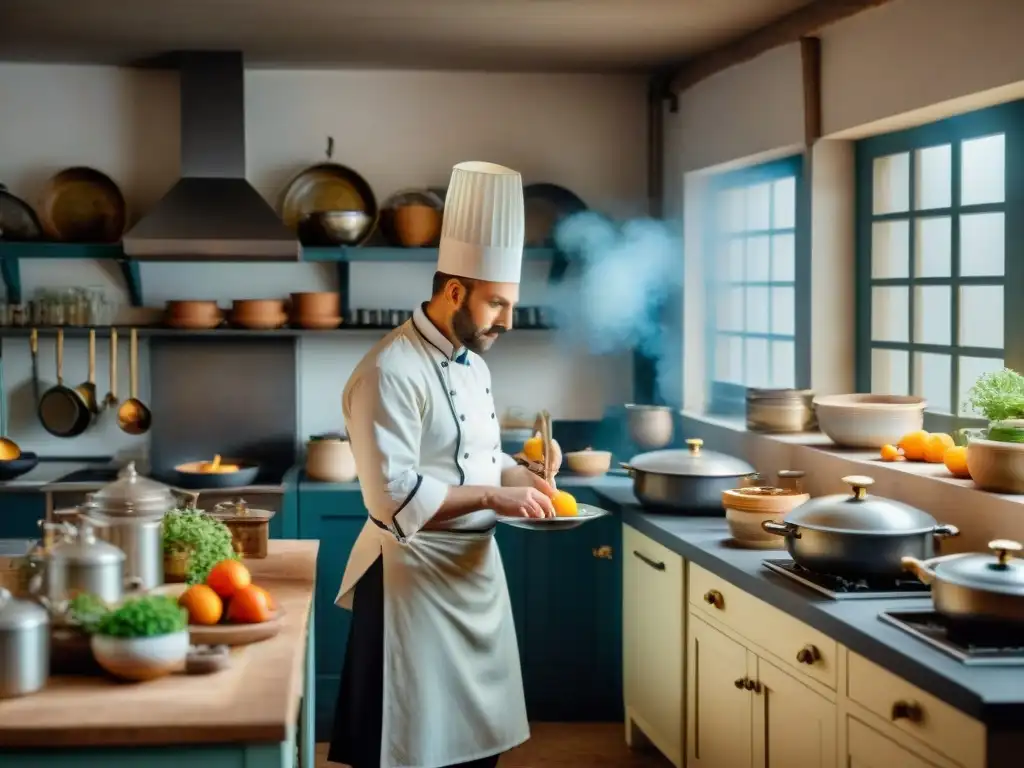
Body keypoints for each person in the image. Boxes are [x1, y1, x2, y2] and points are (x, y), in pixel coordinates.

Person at [328, 160, 564, 768]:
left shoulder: (474, 363)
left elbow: (481, 463)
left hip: (474, 575)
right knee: (408, 750)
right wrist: (493, 498)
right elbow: (393, 497)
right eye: (497, 305)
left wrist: (524, 475)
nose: (507, 322)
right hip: (412, 579)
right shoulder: (389, 370)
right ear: (454, 290)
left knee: (476, 749)